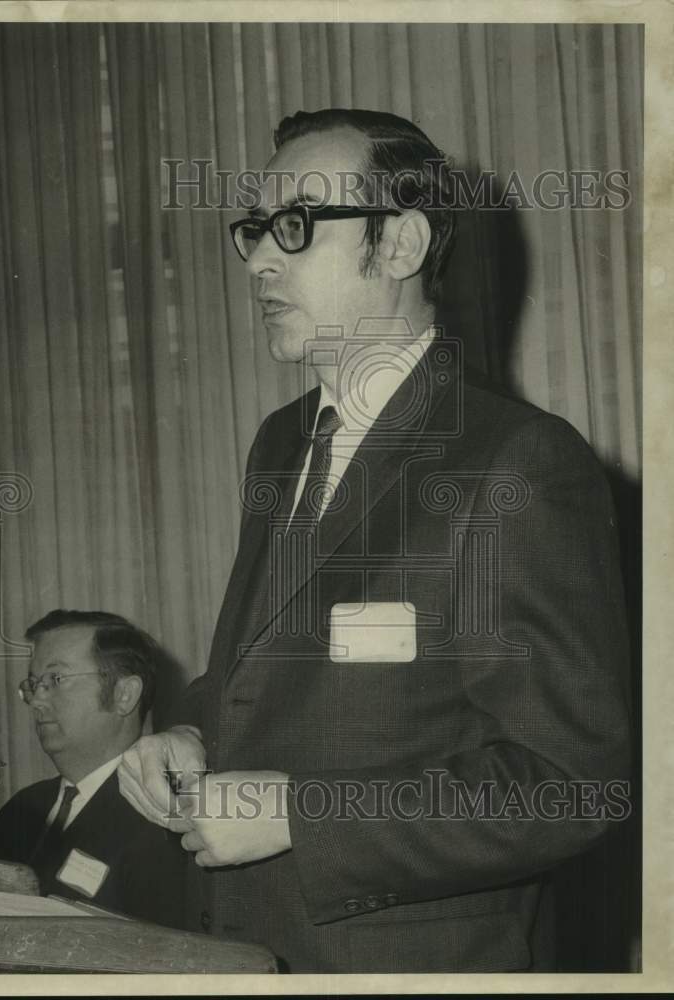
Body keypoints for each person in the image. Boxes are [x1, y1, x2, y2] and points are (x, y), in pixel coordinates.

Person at [117, 109, 632, 972]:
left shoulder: (517, 460)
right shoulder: (283, 441)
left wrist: (297, 817)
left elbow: (569, 785)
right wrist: (194, 733)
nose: (258, 259)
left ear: (400, 245)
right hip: (246, 948)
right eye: (252, 229)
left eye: (295, 226)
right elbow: (276, 661)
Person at [0, 609, 184, 925]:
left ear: (124, 695)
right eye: (34, 683)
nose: (36, 701)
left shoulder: (166, 818)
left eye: (56, 679)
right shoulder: (18, 812)